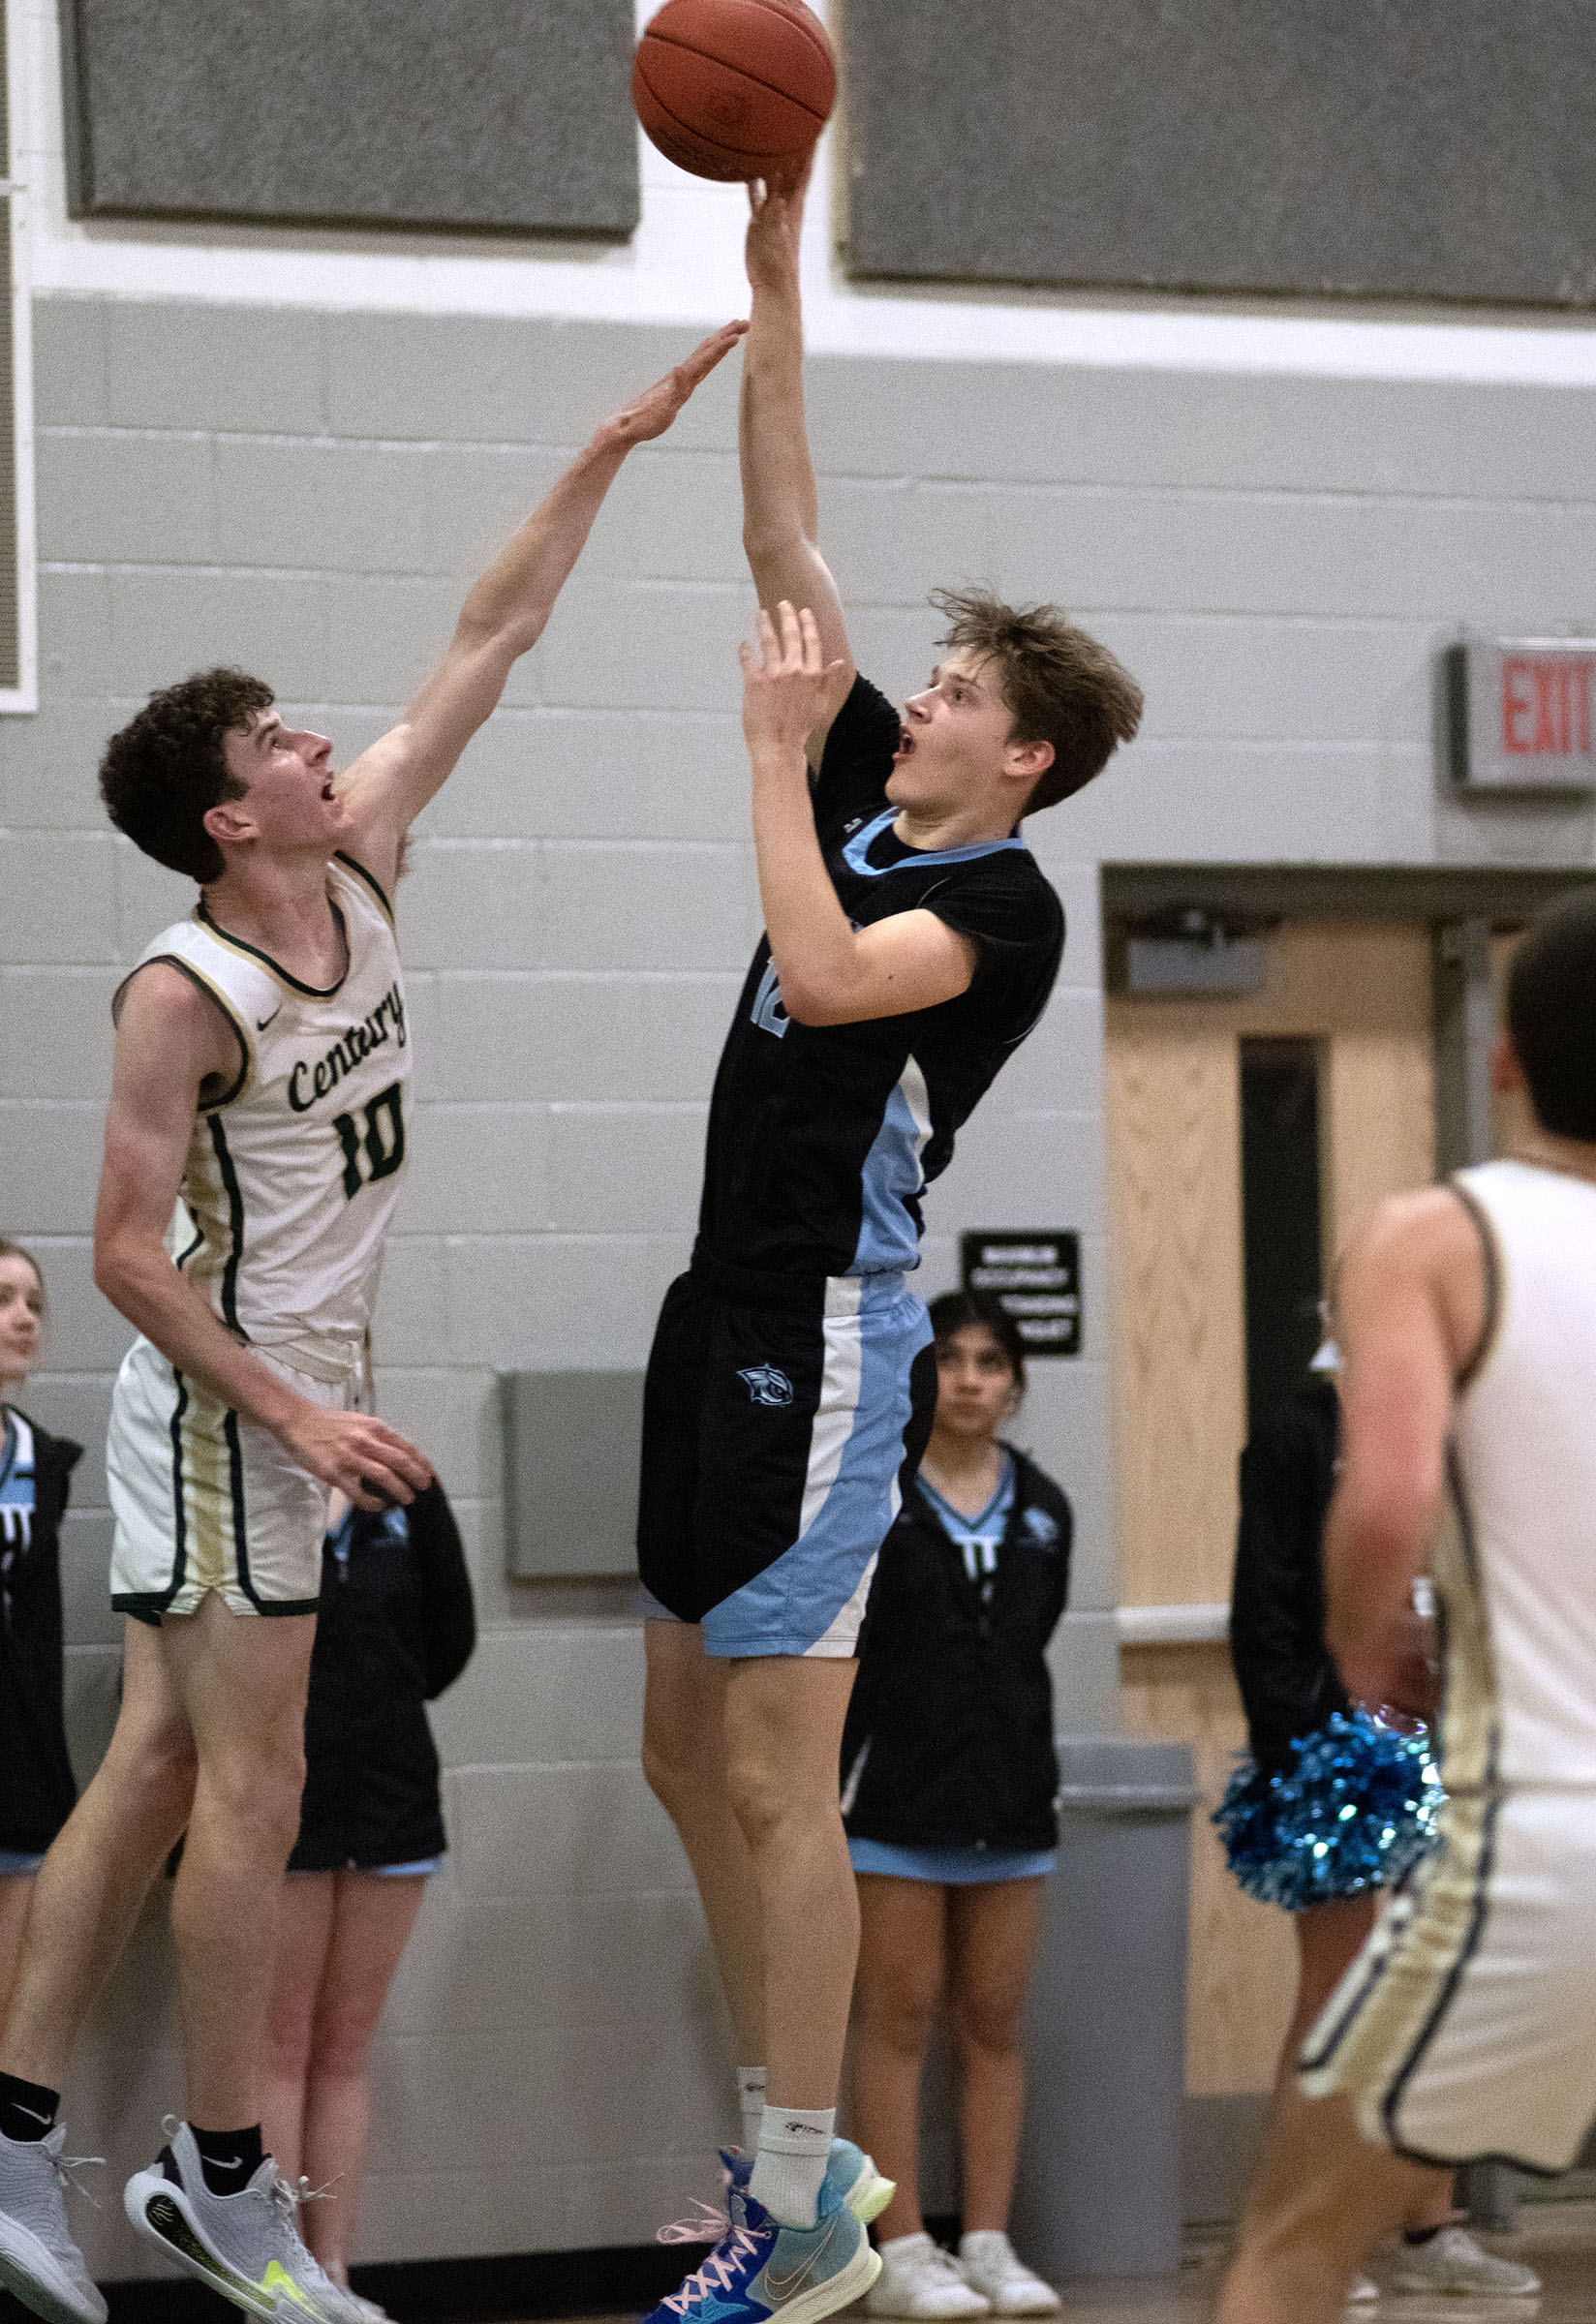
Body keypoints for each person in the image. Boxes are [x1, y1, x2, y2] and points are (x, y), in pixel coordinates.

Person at [0, 320, 745, 2324]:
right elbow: (127, 1254)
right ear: (230, 821)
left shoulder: (372, 862)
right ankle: (221, 2181)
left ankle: (9, 2131)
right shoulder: (183, 991)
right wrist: (298, 1418)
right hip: (230, 1409)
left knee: (160, 1773)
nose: (320, 742)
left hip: (290, 1408)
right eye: (278, 747)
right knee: (248, 1792)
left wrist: (607, 441)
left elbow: (489, 632)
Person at [637, 160, 1142, 2324]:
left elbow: (831, 981)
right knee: (681, 1742)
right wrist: (765, 274)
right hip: (714, 1302)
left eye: (944, 686)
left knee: (772, 1764)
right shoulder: (870, 791)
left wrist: (763, 758)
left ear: (1013, 757)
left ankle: (797, 2186)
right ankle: (813, 2149)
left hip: (832, 1337)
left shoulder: (999, 903)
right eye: (911, 679)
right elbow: (781, 542)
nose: (902, 693)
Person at [1216, 888, 1596, 2324]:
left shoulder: (1434, 1237)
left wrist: (1369, 1641)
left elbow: (1381, 1510)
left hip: (1554, 1833)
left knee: (1292, 2240)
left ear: (1502, 1057)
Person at [1216, 1347, 1536, 2300]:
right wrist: (1309, 1741)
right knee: (1338, 1991)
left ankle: (1426, 2225)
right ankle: (1297, 2225)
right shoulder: (1296, 1436)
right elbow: (1264, 1604)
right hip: (1342, 1746)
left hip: (1459, 1744)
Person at [843, 1293, 1070, 2322]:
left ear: (1014, 1383)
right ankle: (898, 2246)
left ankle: (986, 2238)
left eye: (990, 1361)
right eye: (950, 1359)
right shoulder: (875, 1497)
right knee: (895, 2019)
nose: (970, 1378)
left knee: (994, 2022)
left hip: (1013, 1799)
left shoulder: (1044, 1505)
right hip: (897, 1798)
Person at [261, 1474, 476, 2323]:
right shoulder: (240, 1482)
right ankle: (273, 2282)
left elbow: (448, 1639)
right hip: (278, 1797)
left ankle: (333, 2273)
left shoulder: (406, 1489)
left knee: (345, 2047)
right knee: (277, 2047)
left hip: (391, 1793)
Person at [0, 1245, 82, 2031]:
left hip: (19, 1775)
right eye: (3, 1299)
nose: (24, 1318)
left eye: (34, 1302)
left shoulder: (41, 1461)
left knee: (12, 2017)